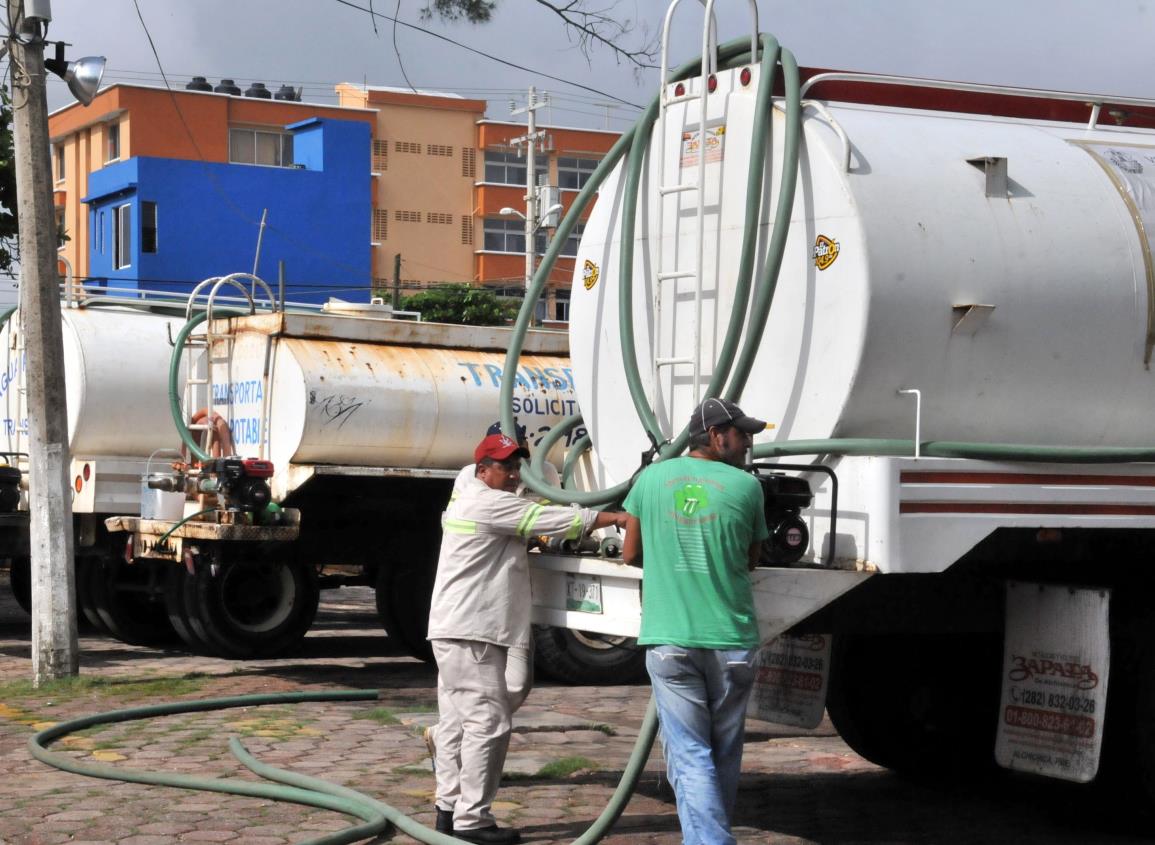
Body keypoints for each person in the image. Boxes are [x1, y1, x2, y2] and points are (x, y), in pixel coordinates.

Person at [427, 432, 627, 844]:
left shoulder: (470, 490)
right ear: (482, 470)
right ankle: (471, 822)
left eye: (518, 466)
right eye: (506, 467)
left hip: (462, 627)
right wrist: (614, 518)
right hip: (473, 630)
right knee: (489, 723)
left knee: (457, 721)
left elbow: (527, 517)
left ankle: (448, 809)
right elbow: (548, 518)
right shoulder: (487, 500)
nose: (515, 474)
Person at [621, 397, 770, 845]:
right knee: (722, 754)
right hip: (731, 640)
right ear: (714, 436)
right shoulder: (747, 488)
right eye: (740, 433)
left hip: (671, 641)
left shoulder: (649, 481)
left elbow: (630, 554)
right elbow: (752, 557)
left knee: (690, 755)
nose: (746, 442)